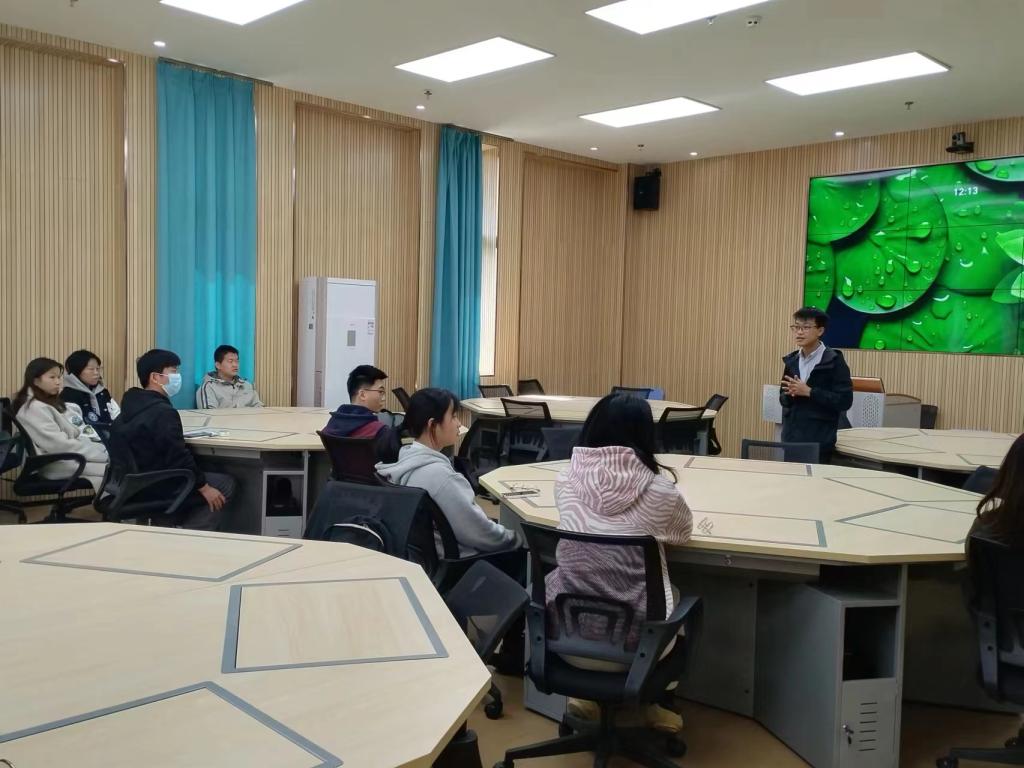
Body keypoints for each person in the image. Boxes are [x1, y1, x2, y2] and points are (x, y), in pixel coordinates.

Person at [545, 393, 693, 733]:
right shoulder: (661, 491)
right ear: (645, 435)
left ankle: (587, 699)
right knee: (675, 598)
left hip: (565, 635)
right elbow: (682, 534)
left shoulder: (565, 481)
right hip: (635, 646)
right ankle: (651, 702)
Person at [376, 387, 521, 557]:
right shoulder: (441, 477)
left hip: (422, 558)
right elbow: (481, 534)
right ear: (432, 425)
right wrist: (517, 538)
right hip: (465, 561)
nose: (459, 423)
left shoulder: (402, 460)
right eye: (453, 417)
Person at [113, 349, 234, 530]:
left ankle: (167, 526)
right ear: (155, 377)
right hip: (159, 483)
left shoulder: (131, 407)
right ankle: (191, 536)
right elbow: (177, 456)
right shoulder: (162, 412)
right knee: (225, 483)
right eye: (173, 371)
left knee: (205, 471)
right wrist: (204, 487)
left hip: (133, 482)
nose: (178, 377)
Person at [11, 357, 109, 491]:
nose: (58, 382)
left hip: (68, 457)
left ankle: (112, 502)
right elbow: (60, 445)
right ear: (35, 381)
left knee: (117, 468)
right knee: (116, 470)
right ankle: (114, 503)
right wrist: (102, 454)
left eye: (59, 377)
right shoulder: (34, 408)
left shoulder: (45, 403)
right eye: (52, 377)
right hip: (56, 463)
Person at [779, 306, 853, 463]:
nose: (799, 332)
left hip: (819, 441)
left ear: (820, 331)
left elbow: (844, 401)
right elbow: (783, 399)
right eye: (796, 327)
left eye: (806, 327)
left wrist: (809, 392)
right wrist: (789, 395)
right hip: (791, 439)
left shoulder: (833, 360)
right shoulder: (792, 360)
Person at [322, 365, 401, 463]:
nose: (383, 398)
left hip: (339, 473)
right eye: (380, 392)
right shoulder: (379, 431)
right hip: (373, 473)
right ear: (362, 394)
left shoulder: (333, 423)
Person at [61, 349, 120, 425]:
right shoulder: (68, 396)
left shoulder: (102, 392)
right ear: (77, 371)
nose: (96, 373)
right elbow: (77, 427)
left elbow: (117, 415)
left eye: (98, 369)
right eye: (91, 369)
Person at [196, 345, 263, 408]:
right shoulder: (209, 387)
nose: (235, 365)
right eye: (230, 361)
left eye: (237, 361)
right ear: (218, 365)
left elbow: (259, 408)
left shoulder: (246, 385)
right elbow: (209, 413)